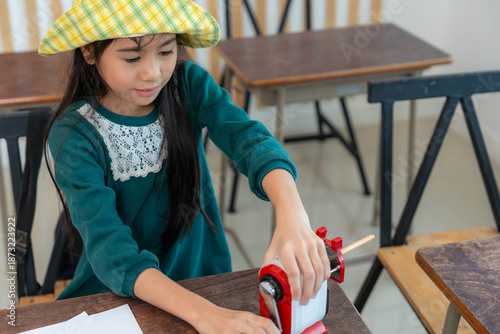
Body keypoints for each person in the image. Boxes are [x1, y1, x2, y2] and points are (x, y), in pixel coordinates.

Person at [40, 0, 330, 333]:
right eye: (132, 57)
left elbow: (249, 140)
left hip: (203, 277)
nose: (153, 72)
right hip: (120, 297)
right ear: (90, 51)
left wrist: (293, 215)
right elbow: (112, 252)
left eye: (166, 51)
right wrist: (205, 315)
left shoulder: (188, 84)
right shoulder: (75, 134)